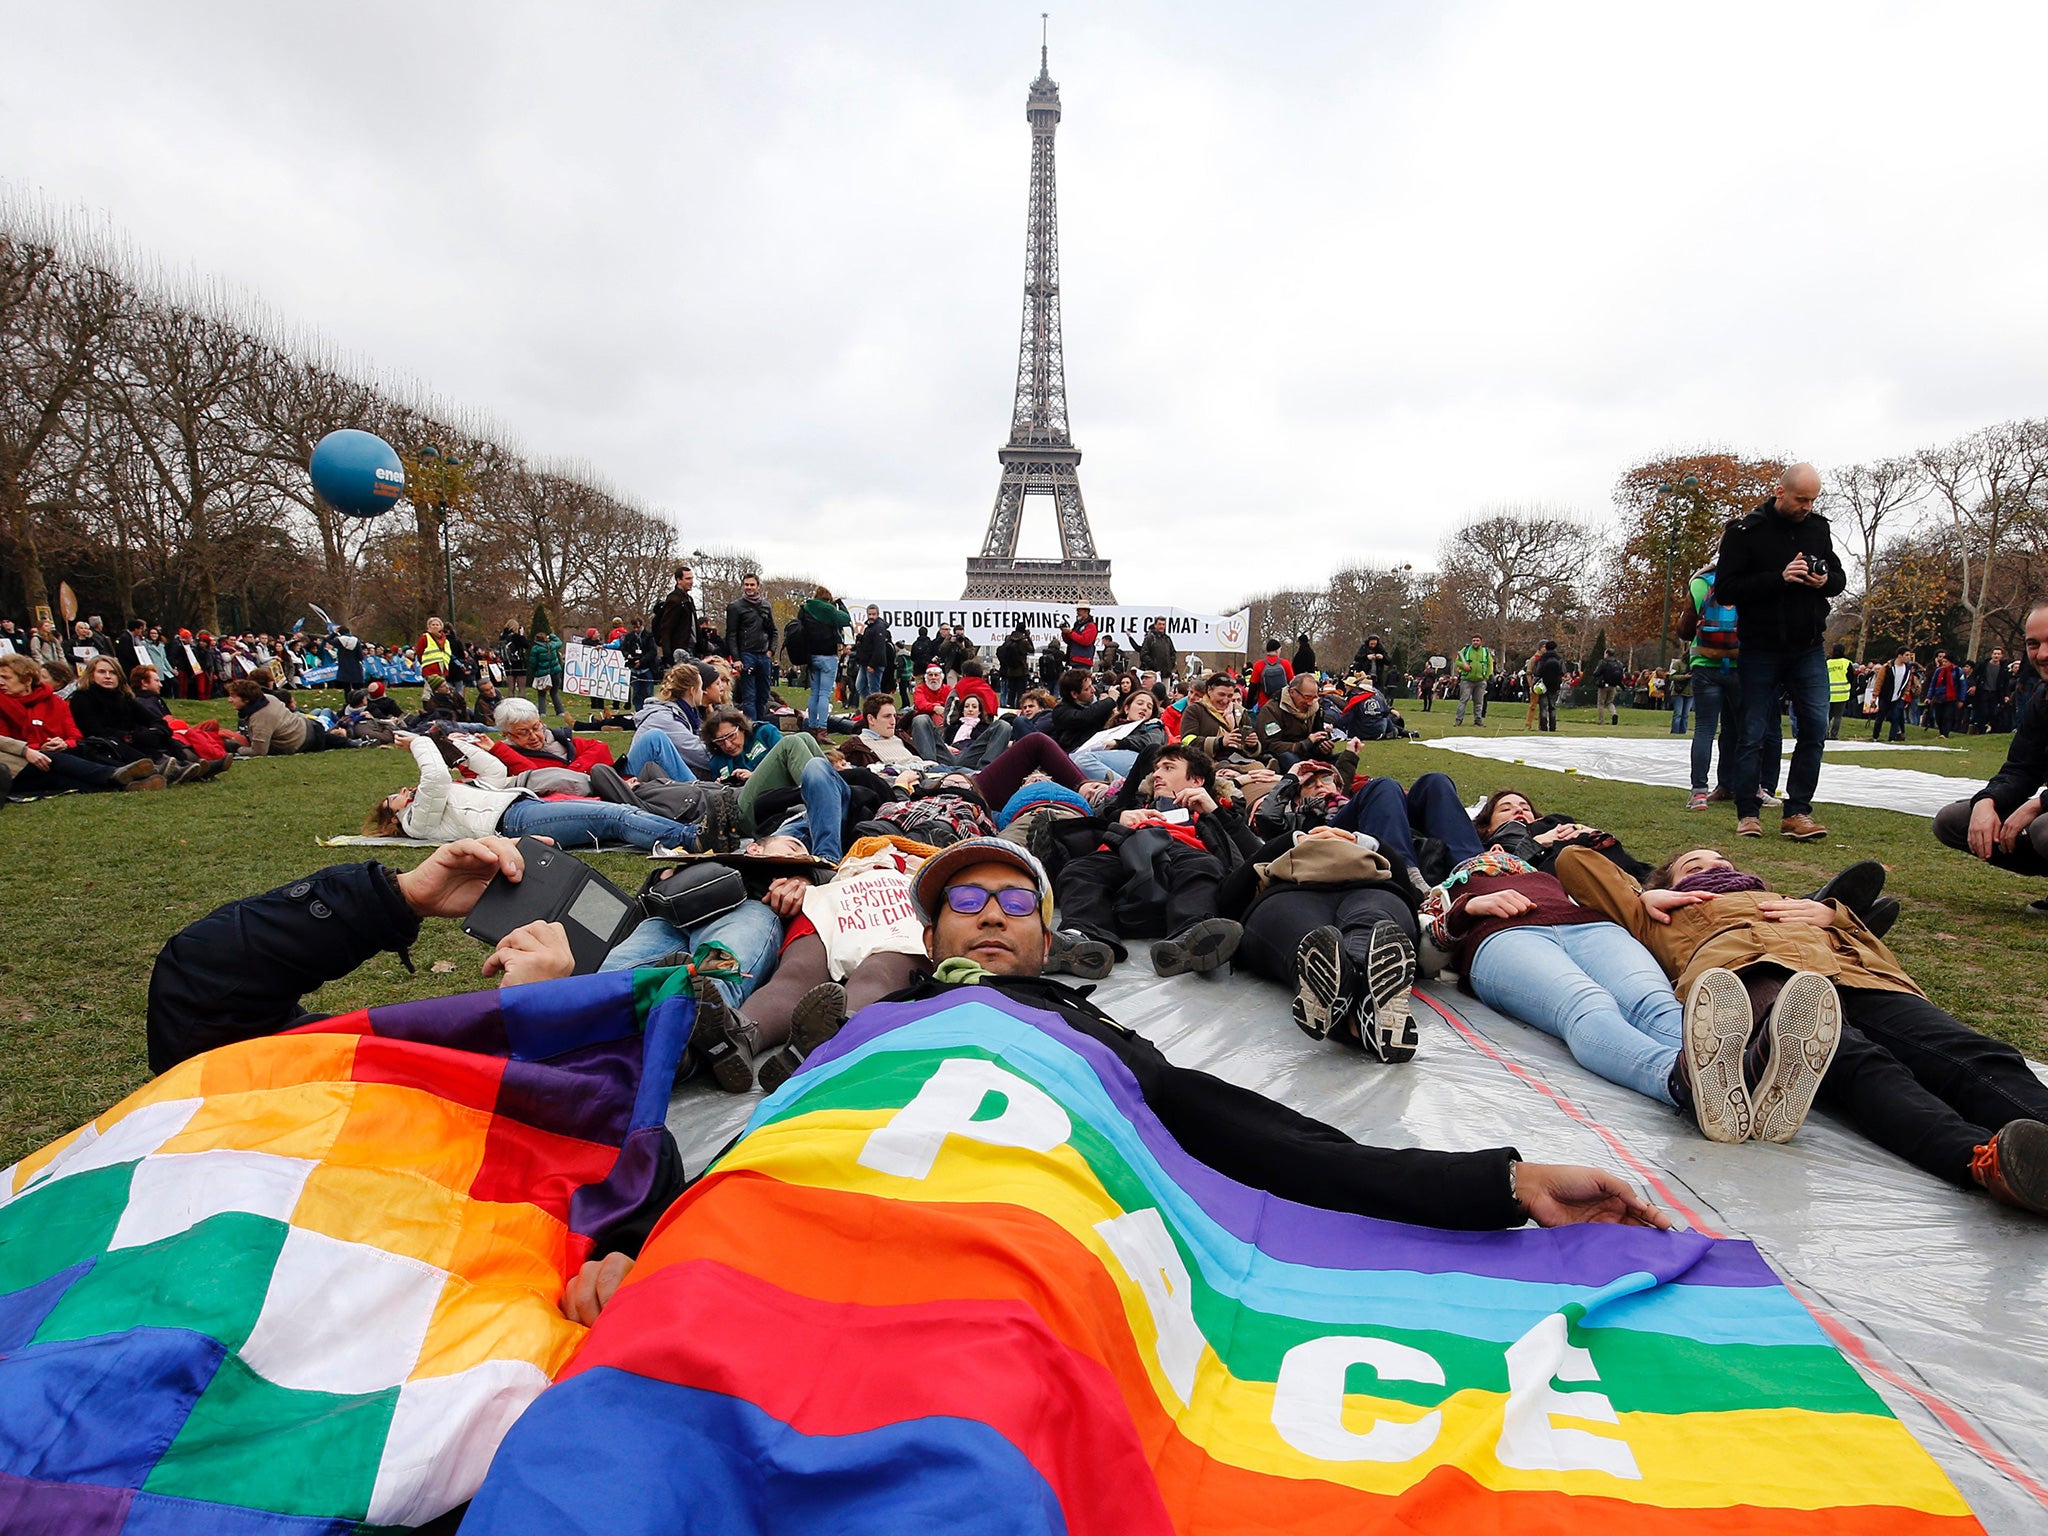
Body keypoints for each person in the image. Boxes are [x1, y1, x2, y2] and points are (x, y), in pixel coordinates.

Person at [1558, 845, 2048, 1214]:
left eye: (1721, 860)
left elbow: (1879, 953)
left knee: (1975, 1055)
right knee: (1857, 1062)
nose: (1715, 867)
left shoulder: (1792, 903)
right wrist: (1646, 893)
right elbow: (1574, 862)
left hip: (1854, 973)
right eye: (1694, 865)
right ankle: (1987, 1163)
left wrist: (1834, 916)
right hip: (1756, 974)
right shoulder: (1658, 914)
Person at [1219, 817, 1421, 1061]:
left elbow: (1413, 896)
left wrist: (1367, 842)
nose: (1327, 835)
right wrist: (1292, 840)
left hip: (1370, 890)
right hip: (1289, 894)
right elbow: (1228, 899)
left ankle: (1348, 1001)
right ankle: (1360, 1012)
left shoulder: (1369, 851)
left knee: (1367, 933)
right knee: (1315, 942)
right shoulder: (1282, 846)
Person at [1048, 744, 1256, 977]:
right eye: (1156, 769)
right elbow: (1093, 823)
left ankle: (1190, 936)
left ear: (1196, 780)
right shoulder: (1135, 805)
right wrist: (1118, 817)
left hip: (1184, 851)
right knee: (1079, 870)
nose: (1156, 774)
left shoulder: (1215, 811)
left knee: (1202, 866)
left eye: (1168, 768)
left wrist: (1216, 812)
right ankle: (1080, 938)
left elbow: (1255, 855)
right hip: (1124, 848)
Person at [1714, 463, 1842, 840]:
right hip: (1760, 647)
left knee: (1815, 728)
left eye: (1813, 499)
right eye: (1801, 498)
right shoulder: (1743, 532)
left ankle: (1798, 811)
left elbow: (1837, 577)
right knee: (1753, 731)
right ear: (1780, 492)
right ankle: (1748, 812)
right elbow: (1727, 588)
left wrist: (1823, 581)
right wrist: (1778, 578)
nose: (1807, 506)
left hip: (1808, 646)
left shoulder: (1818, 528)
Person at [1932, 601, 2048, 910]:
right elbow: (2021, 768)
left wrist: (2038, 805)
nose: (2043, 654)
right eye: (2034, 644)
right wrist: (1988, 801)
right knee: (1953, 820)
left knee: (2043, 827)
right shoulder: (2042, 697)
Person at [0, 652, 164, 794]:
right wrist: (37, 748)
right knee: (61, 764)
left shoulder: (54, 702)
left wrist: (64, 743)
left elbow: (75, 734)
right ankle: (119, 774)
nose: (1, 682)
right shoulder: (83, 698)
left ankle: (131, 781)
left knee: (82, 752)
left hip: (55, 752)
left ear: (27, 680)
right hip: (22, 761)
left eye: (6, 678)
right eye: (102, 672)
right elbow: (6, 743)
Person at [1252, 671, 1337, 766]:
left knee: (1344, 759)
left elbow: (1317, 734)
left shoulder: (1315, 708)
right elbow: (1270, 745)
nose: (1310, 703)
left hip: (1308, 755)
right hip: (1285, 757)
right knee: (1289, 759)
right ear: (1292, 692)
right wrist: (1304, 744)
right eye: (1307, 697)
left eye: (1314, 697)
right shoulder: (1271, 710)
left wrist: (1322, 745)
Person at [724, 572, 777, 722]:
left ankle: (760, 724)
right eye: (746, 585)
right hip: (747, 654)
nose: (749, 587)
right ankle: (751, 727)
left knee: (763, 694)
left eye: (752, 585)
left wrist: (771, 651)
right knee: (749, 695)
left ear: (758, 586)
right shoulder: (736, 607)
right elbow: (731, 634)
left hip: (763, 655)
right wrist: (736, 658)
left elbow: (773, 631)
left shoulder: (766, 606)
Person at [797, 587, 851, 731]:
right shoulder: (829, 610)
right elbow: (846, 619)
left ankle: (813, 726)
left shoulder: (805, 609)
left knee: (814, 693)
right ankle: (822, 728)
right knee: (824, 694)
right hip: (828, 655)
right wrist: (839, 603)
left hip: (812, 656)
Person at [650, 563, 699, 664]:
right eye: (688, 579)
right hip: (680, 649)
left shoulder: (688, 599)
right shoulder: (675, 600)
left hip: (690, 647)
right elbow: (666, 628)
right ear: (679, 580)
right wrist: (668, 654)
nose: (691, 582)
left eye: (691, 578)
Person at [852, 604, 894, 699]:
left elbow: (879, 648)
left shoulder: (878, 627)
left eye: (873, 614)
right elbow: (870, 645)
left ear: (878, 614)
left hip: (874, 664)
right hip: (866, 662)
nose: (871, 616)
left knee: (874, 689)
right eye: (869, 614)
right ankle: (872, 706)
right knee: (860, 686)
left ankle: (877, 708)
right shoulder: (870, 628)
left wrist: (872, 664)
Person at [1452, 633, 1493, 725]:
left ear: (1481, 642)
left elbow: (1490, 664)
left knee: (1479, 702)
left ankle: (1478, 720)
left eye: (1477, 640)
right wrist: (1464, 666)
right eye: (1474, 640)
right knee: (1463, 700)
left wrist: (1486, 676)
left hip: (1480, 681)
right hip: (1467, 679)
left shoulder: (1485, 652)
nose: (1475, 642)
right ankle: (1459, 720)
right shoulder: (1465, 650)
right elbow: (1457, 661)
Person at [527, 630, 565, 716]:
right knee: (554, 692)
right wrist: (551, 635)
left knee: (541, 694)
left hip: (542, 674)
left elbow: (533, 663)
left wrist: (532, 674)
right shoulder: (552, 645)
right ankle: (560, 711)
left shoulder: (535, 649)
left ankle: (542, 712)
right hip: (555, 673)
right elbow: (559, 642)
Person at [1534, 640, 1566, 732]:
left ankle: (1543, 726)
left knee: (1543, 707)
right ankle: (1553, 727)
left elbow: (1537, 672)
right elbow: (1563, 671)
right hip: (1555, 684)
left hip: (1543, 684)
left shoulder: (1542, 658)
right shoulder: (1559, 658)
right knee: (1552, 706)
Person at [1592, 649, 1625, 726]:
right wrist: (1622, 686)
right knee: (1610, 702)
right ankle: (1614, 713)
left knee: (1601, 703)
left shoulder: (1603, 662)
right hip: (1613, 685)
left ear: (1606, 654)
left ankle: (1601, 721)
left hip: (1604, 685)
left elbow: (1596, 673)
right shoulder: (1618, 663)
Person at [1825, 643, 1852, 739]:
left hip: (1828, 693)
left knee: (1827, 715)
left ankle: (1825, 734)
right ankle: (1834, 734)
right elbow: (1851, 678)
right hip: (1842, 693)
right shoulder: (1846, 662)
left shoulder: (1828, 662)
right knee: (1838, 716)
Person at [1060, 605, 1098, 670]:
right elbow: (1070, 641)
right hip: (1075, 660)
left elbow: (1085, 641)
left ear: (1086, 611)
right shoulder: (1078, 625)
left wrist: (1070, 633)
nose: (1077, 612)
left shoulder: (1091, 626)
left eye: (1079, 610)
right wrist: (1065, 633)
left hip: (1082, 660)